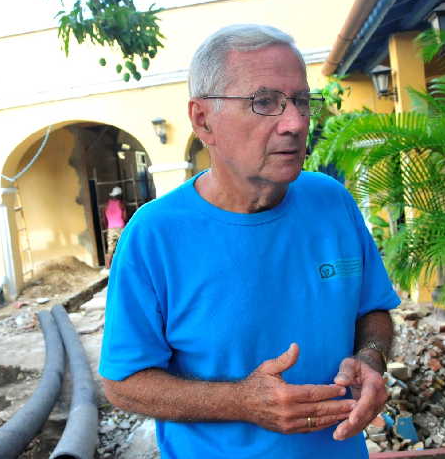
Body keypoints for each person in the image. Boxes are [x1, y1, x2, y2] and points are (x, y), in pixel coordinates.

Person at [99, 24, 400, 458]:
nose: (296, 124)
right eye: (264, 103)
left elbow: (371, 309)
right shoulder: (154, 235)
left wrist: (371, 359)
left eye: (300, 100)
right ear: (204, 120)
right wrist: (242, 401)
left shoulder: (331, 202)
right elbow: (123, 384)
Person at [102, 186, 127, 269]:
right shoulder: (121, 204)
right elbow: (125, 217)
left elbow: (104, 219)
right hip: (120, 228)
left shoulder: (106, 205)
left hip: (110, 228)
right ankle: (125, 265)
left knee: (110, 248)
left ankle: (107, 266)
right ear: (119, 195)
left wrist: (108, 227)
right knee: (124, 246)